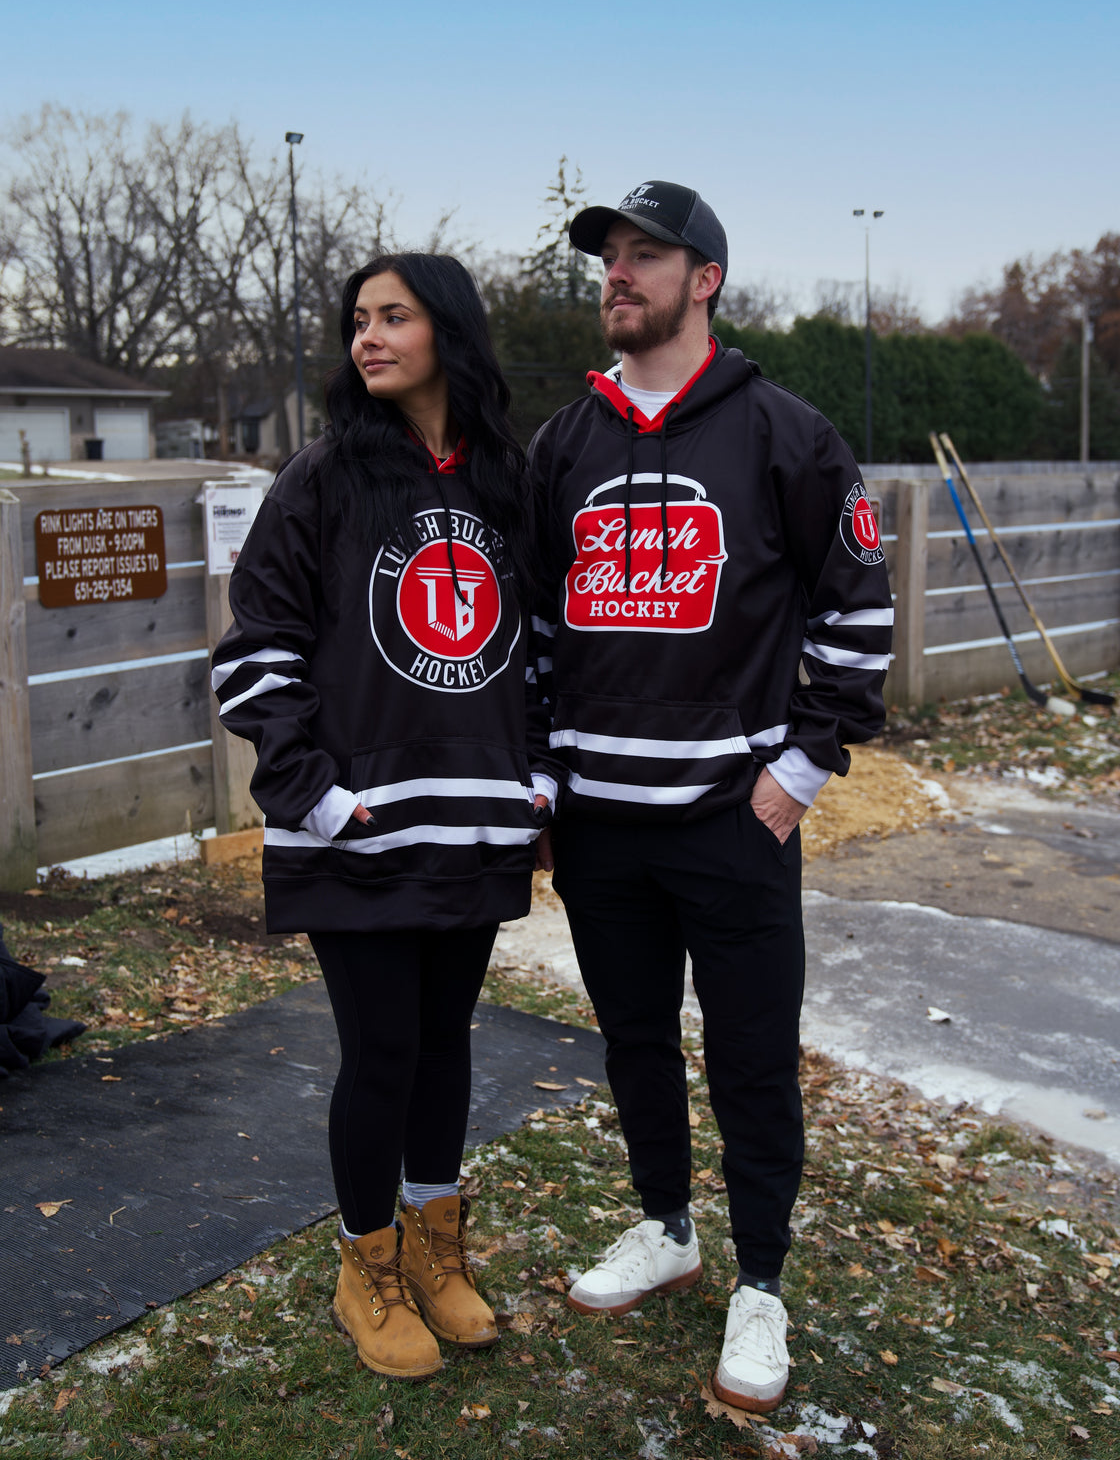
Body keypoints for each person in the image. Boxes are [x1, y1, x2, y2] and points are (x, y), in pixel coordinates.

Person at [528, 181, 893, 1411]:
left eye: (645, 257)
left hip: (732, 824)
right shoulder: (561, 445)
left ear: (706, 281)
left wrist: (795, 776)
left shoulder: (785, 432)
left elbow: (857, 613)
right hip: (597, 821)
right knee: (632, 1041)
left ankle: (762, 1286)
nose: (617, 276)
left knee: (748, 1060)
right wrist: (543, 776)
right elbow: (530, 626)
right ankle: (666, 1230)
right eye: (608, 259)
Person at [212, 253, 548, 1381]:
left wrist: (533, 777)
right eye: (358, 320)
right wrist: (316, 796)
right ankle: (366, 1270)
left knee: (448, 1045)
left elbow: (540, 651)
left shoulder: (509, 479)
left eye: (393, 317)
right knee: (383, 1049)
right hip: (359, 828)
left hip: (475, 819)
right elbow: (254, 652)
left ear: (446, 330)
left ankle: (437, 1250)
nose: (368, 337)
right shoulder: (320, 479)